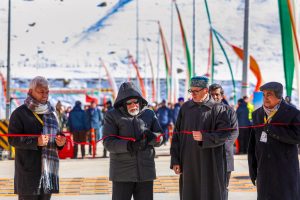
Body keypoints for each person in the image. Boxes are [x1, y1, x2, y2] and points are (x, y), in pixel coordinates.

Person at [170, 76, 231, 200]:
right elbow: (176, 135)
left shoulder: (218, 109)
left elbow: (224, 135)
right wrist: (175, 160)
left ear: (206, 90)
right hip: (189, 162)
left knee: (211, 193)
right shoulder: (185, 108)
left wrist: (205, 137)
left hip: (211, 162)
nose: (192, 94)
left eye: (196, 91)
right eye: (191, 91)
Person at [103, 82, 166, 200]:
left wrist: (153, 138)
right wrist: (129, 145)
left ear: (140, 101)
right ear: (122, 103)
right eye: (129, 103)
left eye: (135, 101)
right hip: (122, 173)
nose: (133, 105)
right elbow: (108, 143)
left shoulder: (149, 113)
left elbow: (161, 136)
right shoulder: (112, 115)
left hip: (145, 172)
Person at [8, 76, 66, 200]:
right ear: (30, 92)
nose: (45, 95)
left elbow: (58, 134)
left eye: (47, 92)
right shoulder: (19, 113)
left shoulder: (52, 113)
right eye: (41, 92)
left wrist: (61, 142)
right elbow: (12, 139)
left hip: (48, 173)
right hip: (28, 172)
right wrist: (36, 142)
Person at [248, 82, 300, 200]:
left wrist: (273, 130)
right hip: (264, 173)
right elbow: (253, 145)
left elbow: (297, 137)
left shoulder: (293, 113)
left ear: (279, 96)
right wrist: (252, 169)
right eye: (264, 95)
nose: (265, 98)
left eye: (269, 94)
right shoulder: (257, 114)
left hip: (285, 173)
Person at [209, 83, 239, 200]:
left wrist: (220, 145)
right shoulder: (203, 111)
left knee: (222, 188)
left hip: (224, 156)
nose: (214, 97)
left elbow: (234, 132)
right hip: (207, 156)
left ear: (222, 96)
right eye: (212, 95)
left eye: (217, 94)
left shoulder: (229, 110)